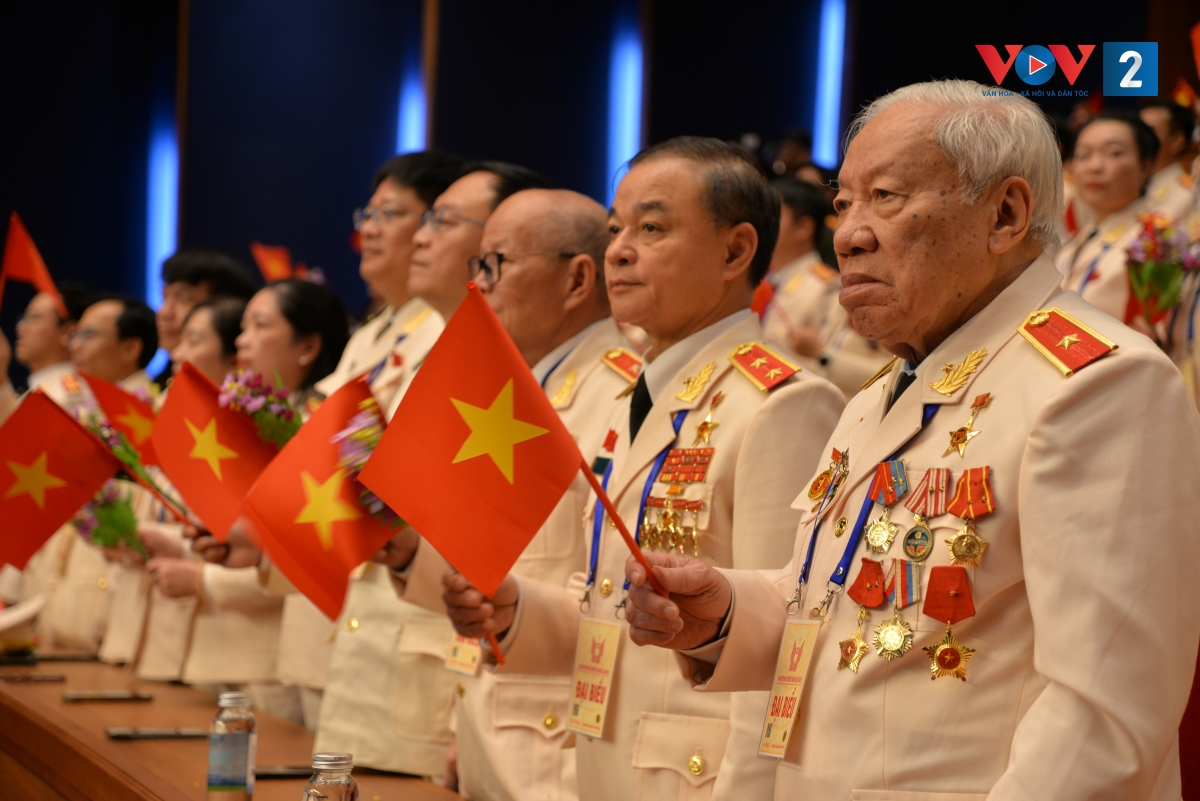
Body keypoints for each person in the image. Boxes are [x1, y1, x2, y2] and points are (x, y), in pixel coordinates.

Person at [621, 79, 1200, 800]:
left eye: (886, 198)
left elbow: (1104, 715)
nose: (849, 234)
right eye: (844, 203)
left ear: (1005, 214)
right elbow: (841, 600)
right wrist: (728, 610)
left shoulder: (1097, 384)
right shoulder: (888, 386)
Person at [442, 137, 845, 801]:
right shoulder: (635, 398)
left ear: (736, 251)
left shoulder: (781, 404)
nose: (620, 251)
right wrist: (516, 607)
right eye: (615, 230)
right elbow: (604, 601)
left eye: (651, 229)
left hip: (698, 780)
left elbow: (780, 641)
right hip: (606, 767)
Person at [313, 161, 551, 780]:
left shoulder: (517, 361)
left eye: (440, 221)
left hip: (459, 669)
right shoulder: (401, 341)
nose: (420, 236)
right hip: (377, 644)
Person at [407, 188, 633, 800]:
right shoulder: (515, 387)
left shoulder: (623, 395)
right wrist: (405, 552)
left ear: (577, 278)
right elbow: (479, 564)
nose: (477, 285)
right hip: (488, 722)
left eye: (496, 264)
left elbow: (609, 593)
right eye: (477, 265)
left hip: (560, 746)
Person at [318, 151, 467, 409]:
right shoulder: (365, 335)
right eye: (368, 214)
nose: (367, 230)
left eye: (389, 213)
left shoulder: (448, 327)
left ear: (434, 223)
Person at [762, 177, 888, 398]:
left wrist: (820, 353)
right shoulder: (774, 280)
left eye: (772, 217)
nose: (761, 225)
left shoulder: (825, 286)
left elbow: (876, 371)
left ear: (803, 228)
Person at [1057, 111, 1159, 323]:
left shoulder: (1155, 240)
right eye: (1084, 155)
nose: (1094, 167)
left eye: (1113, 153)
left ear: (1145, 167)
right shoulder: (1077, 242)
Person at [154, 249, 257, 386]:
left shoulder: (253, 396)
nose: (164, 312)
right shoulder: (157, 384)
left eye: (183, 298)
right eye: (164, 297)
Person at [0, 283, 94, 424]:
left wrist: (2, 382)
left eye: (34, 317)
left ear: (68, 332)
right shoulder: (37, 387)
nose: (20, 328)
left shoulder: (70, 395)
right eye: (23, 318)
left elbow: (26, 436)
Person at [69, 295, 159, 393]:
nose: (74, 346)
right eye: (77, 334)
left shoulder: (148, 401)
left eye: (88, 334)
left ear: (130, 349)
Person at [1139, 101, 1195, 221]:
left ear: (1176, 141)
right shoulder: (1127, 188)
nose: (1137, 139)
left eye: (1147, 132)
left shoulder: (1189, 195)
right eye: (1136, 131)